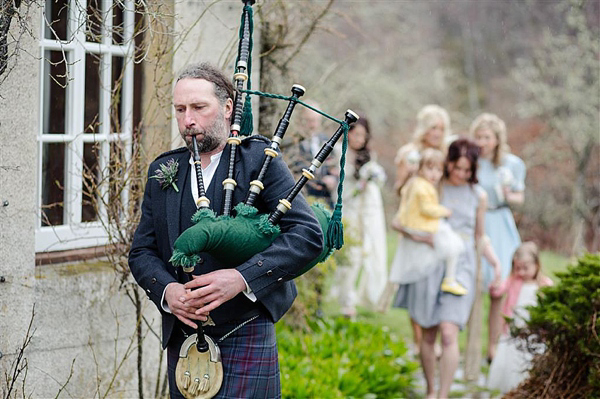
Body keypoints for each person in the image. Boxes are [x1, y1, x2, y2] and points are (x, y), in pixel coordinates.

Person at [128, 62, 324, 399]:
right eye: (180, 109)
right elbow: (142, 251)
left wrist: (241, 278)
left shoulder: (259, 161)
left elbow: (306, 235)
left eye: (199, 107)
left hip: (245, 326)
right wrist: (168, 292)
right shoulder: (163, 169)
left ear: (227, 108)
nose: (188, 119)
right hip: (186, 337)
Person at [393, 138, 501, 399]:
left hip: (461, 264)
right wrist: (420, 238)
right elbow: (401, 220)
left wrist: (494, 262)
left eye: (468, 169)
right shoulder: (431, 187)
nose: (462, 173)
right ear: (448, 163)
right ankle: (431, 389)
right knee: (428, 332)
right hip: (430, 261)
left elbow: (479, 236)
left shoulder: (479, 196)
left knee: (450, 331)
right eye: (457, 167)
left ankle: (443, 394)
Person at [384, 104, 452, 354]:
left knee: (436, 277)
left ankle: (430, 336)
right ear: (424, 127)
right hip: (414, 221)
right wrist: (412, 176)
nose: (437, 132)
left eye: (441, 128)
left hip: (437, 219)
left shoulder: (445, 153)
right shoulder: (410, 153)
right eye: (433, 127)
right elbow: (399, 190)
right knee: (413, 279)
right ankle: (417, 339)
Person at [470, 112, 527, 363]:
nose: (482, 142)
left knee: (496, 289)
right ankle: (469, 345)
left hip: (500, 224)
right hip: (475, 224)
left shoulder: (512, 164)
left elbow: (519, 198)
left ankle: (491, 348)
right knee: (471, 287)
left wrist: (505, 193)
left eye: (487, 137)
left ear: (497, 139)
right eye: (478, 136)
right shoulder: (470, 160)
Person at [389, 148, 467, 296]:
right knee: (454, 245)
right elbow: (427, 209)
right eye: (430, 169)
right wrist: (444, 211)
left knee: (452, 244)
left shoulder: (415, 183)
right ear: (421, 169)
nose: (434, 174)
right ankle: (449, 279)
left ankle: (449, 278)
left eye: (438, 170)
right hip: (420, 226)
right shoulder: (423, 186)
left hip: (413, 224)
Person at [331, 115, 387, 317]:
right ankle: (347, 301)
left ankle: (359, 294)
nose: (359, 139)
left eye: (363, 135)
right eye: (356, 134)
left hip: (366, 211)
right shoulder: (338, 152)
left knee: (366, 254)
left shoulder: (369, 156)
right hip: (346, 209)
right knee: (351, 256)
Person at [487, 241, 553, 394]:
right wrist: (495, 284)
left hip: (534, 332)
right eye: (518, 268)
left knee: (528, 360)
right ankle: (507, 391)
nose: (521, 272)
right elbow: (497, 292)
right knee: (509, 361)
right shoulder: (513, 281)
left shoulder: (544, 284)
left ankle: (526, 389)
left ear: (537, 265)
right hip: (513, 330)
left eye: (525, 268)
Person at [286, 101, 337, 208]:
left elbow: (333, 167)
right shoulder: (291, 143)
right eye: (309, 121)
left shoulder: (326, 141)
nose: (313, 125)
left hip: (324, 199)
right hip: (300, 199)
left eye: (316, 121)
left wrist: (332, 179)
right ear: (300, 120)